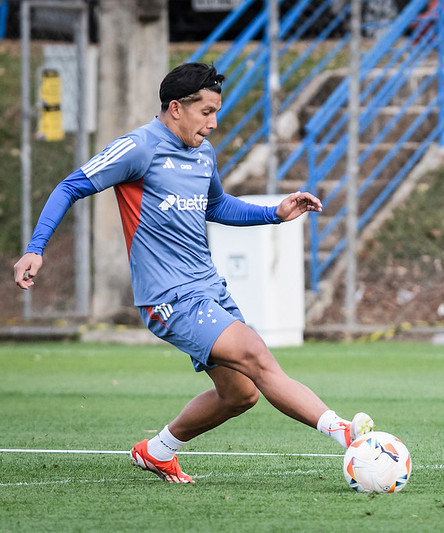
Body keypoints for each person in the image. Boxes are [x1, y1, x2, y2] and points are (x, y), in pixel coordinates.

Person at [13, 62, 374, 484]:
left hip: (208, 288)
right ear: (175, 108)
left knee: (240, 395)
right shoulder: (138, 147)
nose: (213, 123)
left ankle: (158, 451)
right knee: (256, 354)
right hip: (168, 297)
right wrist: (36, 249)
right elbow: (71, 185)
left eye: (216, 112)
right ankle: (343, 431)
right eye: (206, 112)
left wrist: (274, 213)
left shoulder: (203, 153)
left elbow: (216, 206)